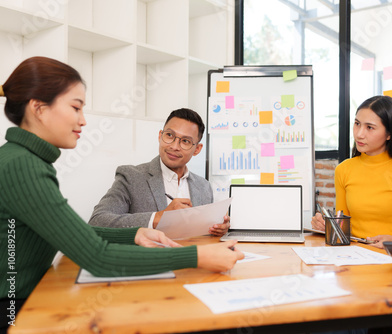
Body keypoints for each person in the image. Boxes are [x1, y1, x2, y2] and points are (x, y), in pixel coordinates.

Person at [0, 57, 243, 331]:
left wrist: (134, 234)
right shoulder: (24, 166)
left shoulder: (26, 160)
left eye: (186, 141)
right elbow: (97, 256)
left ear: (196, 148)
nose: (83, 121)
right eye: (75, 107)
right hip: (11, 307)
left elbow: (69, 232)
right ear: (39, 108)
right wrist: (197, 257)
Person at [88, 108, 229, 236]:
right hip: (149, 261)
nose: (174, 146)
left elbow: (202, 234)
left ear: (197, 149)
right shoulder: (131, 177)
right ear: (160, 136)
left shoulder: (203, 186)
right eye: (169, 135)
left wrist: (217, 229)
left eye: (185, 141)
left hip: (194, 260)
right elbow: (97, 221)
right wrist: (158, 218)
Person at [311, 96, 392, 248]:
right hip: (354, 258)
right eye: (357, 124)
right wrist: (325, 227)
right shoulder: (344, 170)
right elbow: (343, 228)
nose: (359, 134)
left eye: (370, 127)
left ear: (389, 134)